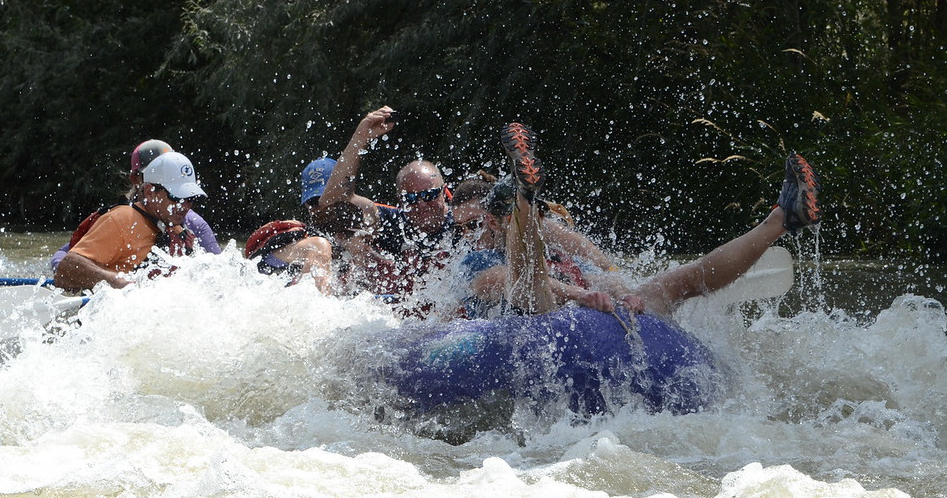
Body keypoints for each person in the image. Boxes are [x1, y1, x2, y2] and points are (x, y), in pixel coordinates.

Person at [453, 122, 821, 318]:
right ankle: (523, 194)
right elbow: (507, 282)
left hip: (594, 313)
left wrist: (621, 290)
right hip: (543, 313)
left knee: (672, 284)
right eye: (464, 228)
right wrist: (584, 294)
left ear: (495, 221)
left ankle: (781, 218)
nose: (473, 235)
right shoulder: (475, 265)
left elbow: (598, 265)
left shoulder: (549, 241)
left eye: (478, 223)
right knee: (531, 288)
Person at [318, 106, 453, 294]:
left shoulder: (465, 221)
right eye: (410, 198)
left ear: (444, 192)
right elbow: (333, 202)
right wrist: (360, 138)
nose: (421, 204)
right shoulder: (391, 222)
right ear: (400, 201)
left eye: (429, 195)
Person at [49, 140, 221, 270]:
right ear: (139, 181)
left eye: (189, 197)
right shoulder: (119, 219)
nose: (184, 205)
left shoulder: (192, 223)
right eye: (175, 195)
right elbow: (69, 261)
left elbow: (219, 268)